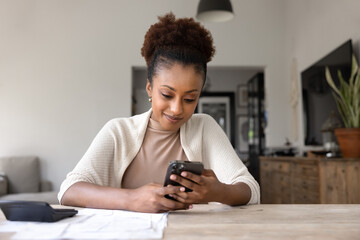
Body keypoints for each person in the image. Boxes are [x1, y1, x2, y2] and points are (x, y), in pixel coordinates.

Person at [58, 12, 260, 213]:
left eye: (190, 99)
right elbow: (68, 191)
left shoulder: (204, 127)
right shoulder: (118, 131)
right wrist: (131, 199)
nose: (177, 109)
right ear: (149, 89)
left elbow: (251, 189)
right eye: (166, 95)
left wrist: (219, 192)